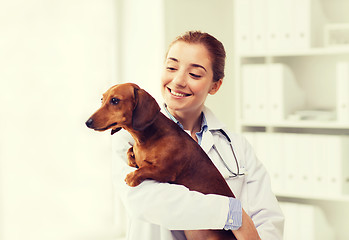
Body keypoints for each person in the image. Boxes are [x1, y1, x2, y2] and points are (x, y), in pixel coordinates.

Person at [112, 31, 284, 240]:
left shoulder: (237, 146)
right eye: (171, 67)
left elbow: (268, 218)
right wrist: (232, 213)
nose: (177, 81)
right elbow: (145, 201)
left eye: (194, 74)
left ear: (215, 85)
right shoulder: (129, 138)